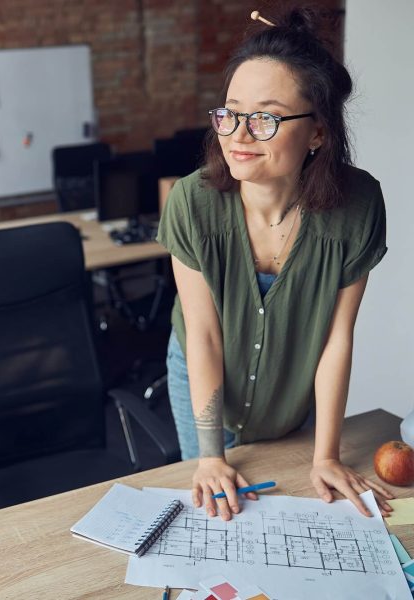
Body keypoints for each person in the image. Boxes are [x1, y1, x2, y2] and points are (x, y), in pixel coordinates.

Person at [156, 8, 394, 521]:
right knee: (215, 505)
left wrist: (326, 455)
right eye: (230, 112)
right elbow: (203, 336)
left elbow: (336, 339)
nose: (239, 134)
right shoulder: (192, 203)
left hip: (293, 377)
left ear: (317, 133)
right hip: (203, 377)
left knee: (289, 495)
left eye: (265, 117)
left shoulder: (358, 206)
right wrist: (210, 456)